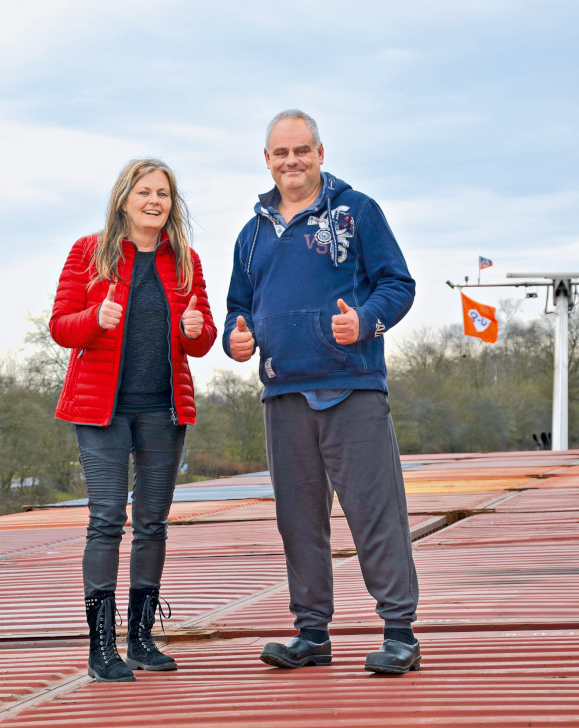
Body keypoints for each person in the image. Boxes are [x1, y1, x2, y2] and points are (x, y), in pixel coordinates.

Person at [223, 109, 420, 674]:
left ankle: (400, 633)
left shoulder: (358, 212)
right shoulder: (252, 233)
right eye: (281, 153)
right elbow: (239, 309)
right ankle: (311, 634)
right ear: (267, 160)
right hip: (283, 395)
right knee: (298, 520)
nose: (292, 161)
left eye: (301, 150)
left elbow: (398, 285)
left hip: (350, 387)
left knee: (374, 512)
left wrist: (365, 321)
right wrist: (235, 339)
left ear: (320, 153)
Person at [50, 158, 216, 682]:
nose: (154, 201)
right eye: (145, 191)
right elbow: (60, 326)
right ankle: (102, 647)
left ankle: (141, 639)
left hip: (163, 411)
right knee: (105, 521)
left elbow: (204, 339)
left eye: (163, 193)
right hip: (101, 410)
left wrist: (194, 328)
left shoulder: (185, 261)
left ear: (172, 203)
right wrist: (93, 320)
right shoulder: (88, 253)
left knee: (152, 523)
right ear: (124, 198)